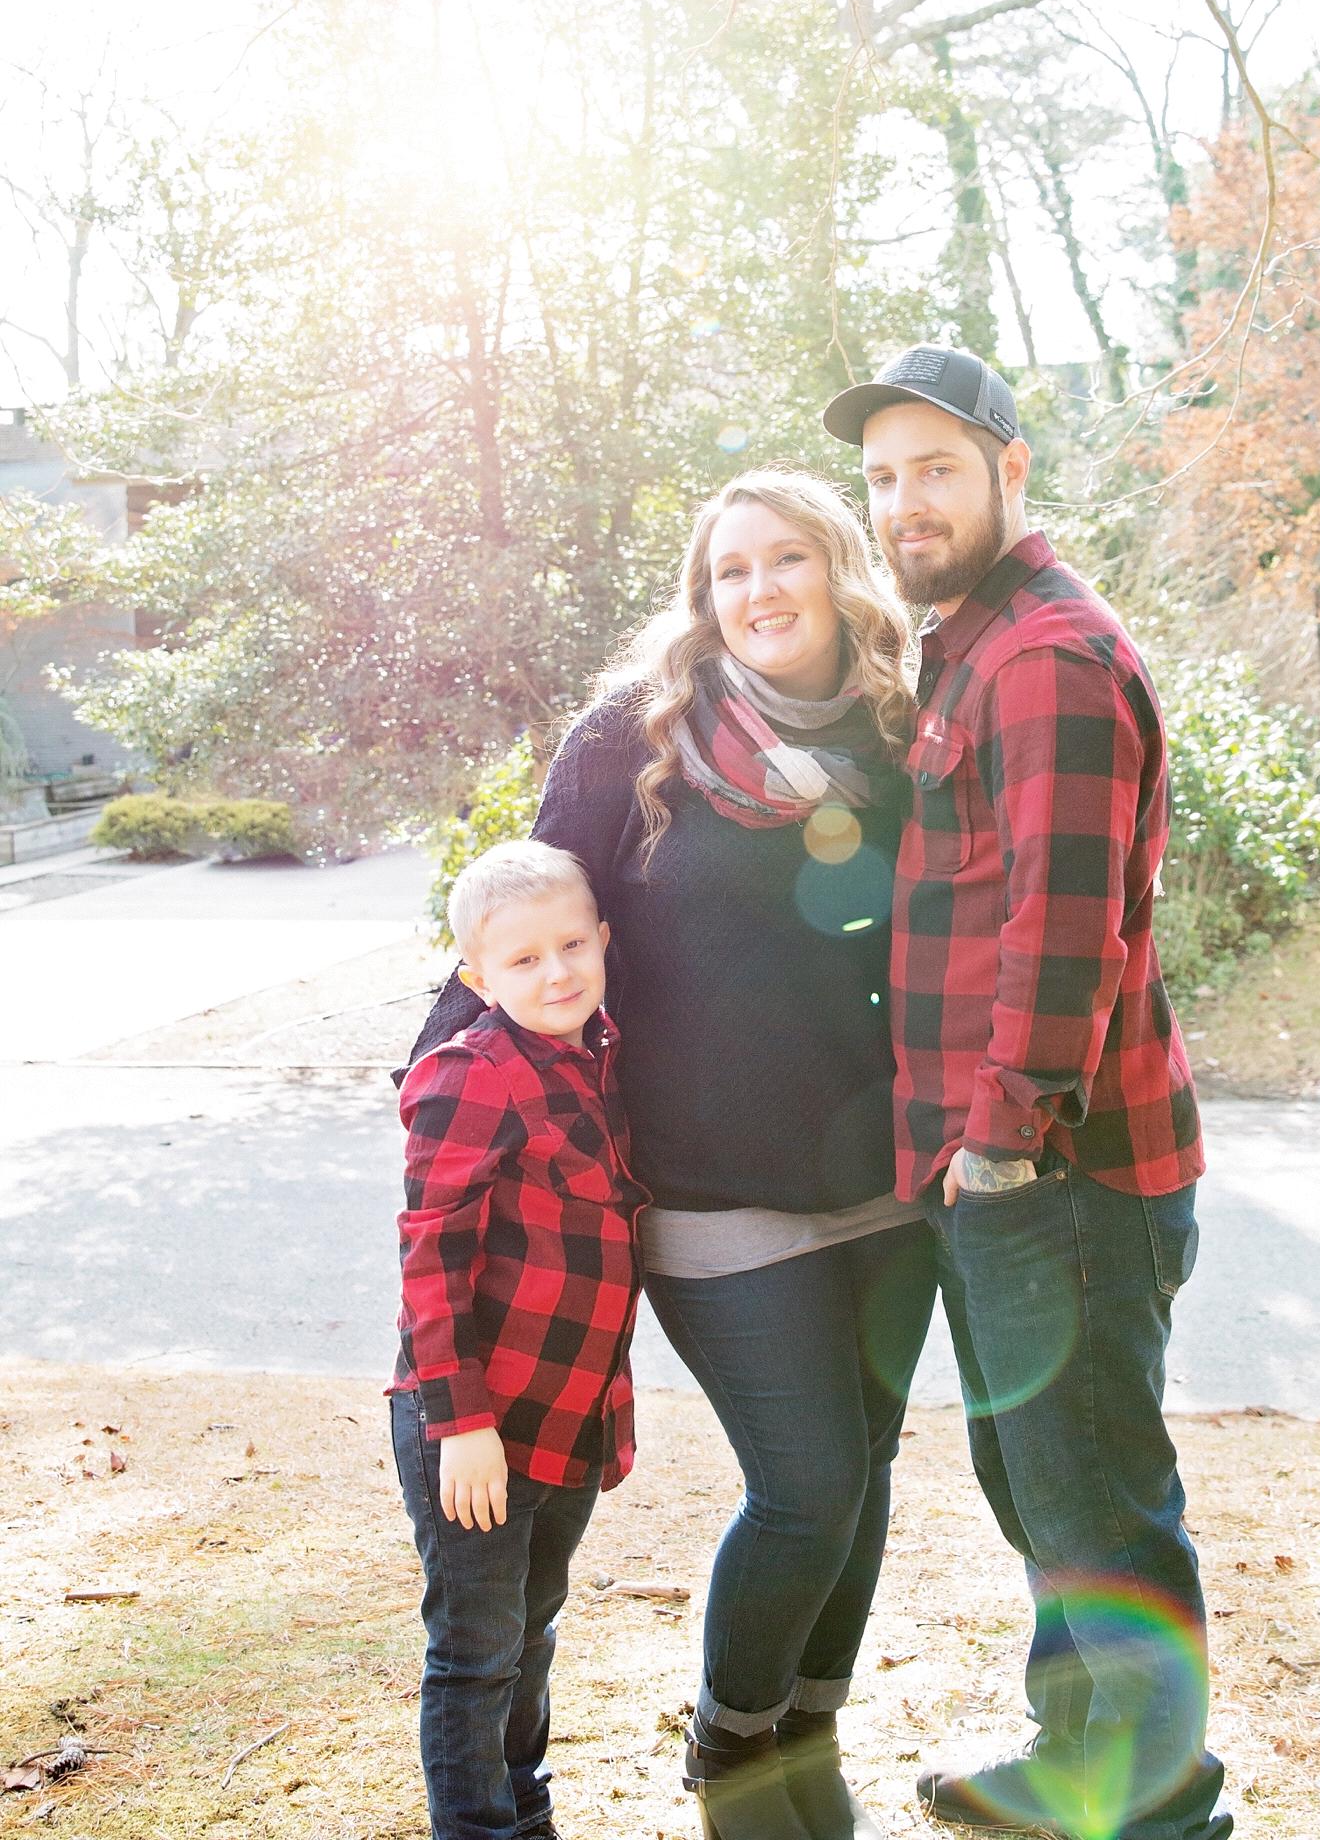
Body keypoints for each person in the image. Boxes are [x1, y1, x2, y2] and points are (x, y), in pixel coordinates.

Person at [410, 471, 937, 1840]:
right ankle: (733, 1743)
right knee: (806, 1486)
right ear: (703, 597)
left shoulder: (901, 729)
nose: (759, 590)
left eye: (787, 558)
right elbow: (521, 928)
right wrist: (441, 1091)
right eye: (729, 569)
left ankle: (810, 1728)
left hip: (887, 1182)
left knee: (867, 1478)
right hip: (706, 1189)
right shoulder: (630, 738)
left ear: (839, 571)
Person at [822, 348, 1232, 1840]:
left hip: (1058, 1173)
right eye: (883, 477)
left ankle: (1159, 1808)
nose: (905, 502)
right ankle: (1078, 1766)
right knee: (1043, 1488)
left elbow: (1065, 932)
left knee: (1097, 1502)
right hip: (1008, 1170)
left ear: (1010, 470)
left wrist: (997, 1148)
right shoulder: (972, 642)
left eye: (936, 468)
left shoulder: (1047, 655)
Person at [390, 839, 648, 1840]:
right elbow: (430, 1260)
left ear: (604, 939)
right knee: (475, 1649)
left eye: (572, 945)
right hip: (474, 1422)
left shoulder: (600, 1053)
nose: (557, 973)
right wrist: (461, 1424)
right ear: (477, 977)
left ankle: (524, 1810)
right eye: (524, 959)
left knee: (531, 1631)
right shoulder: (470, 1075)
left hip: (566, 1411)